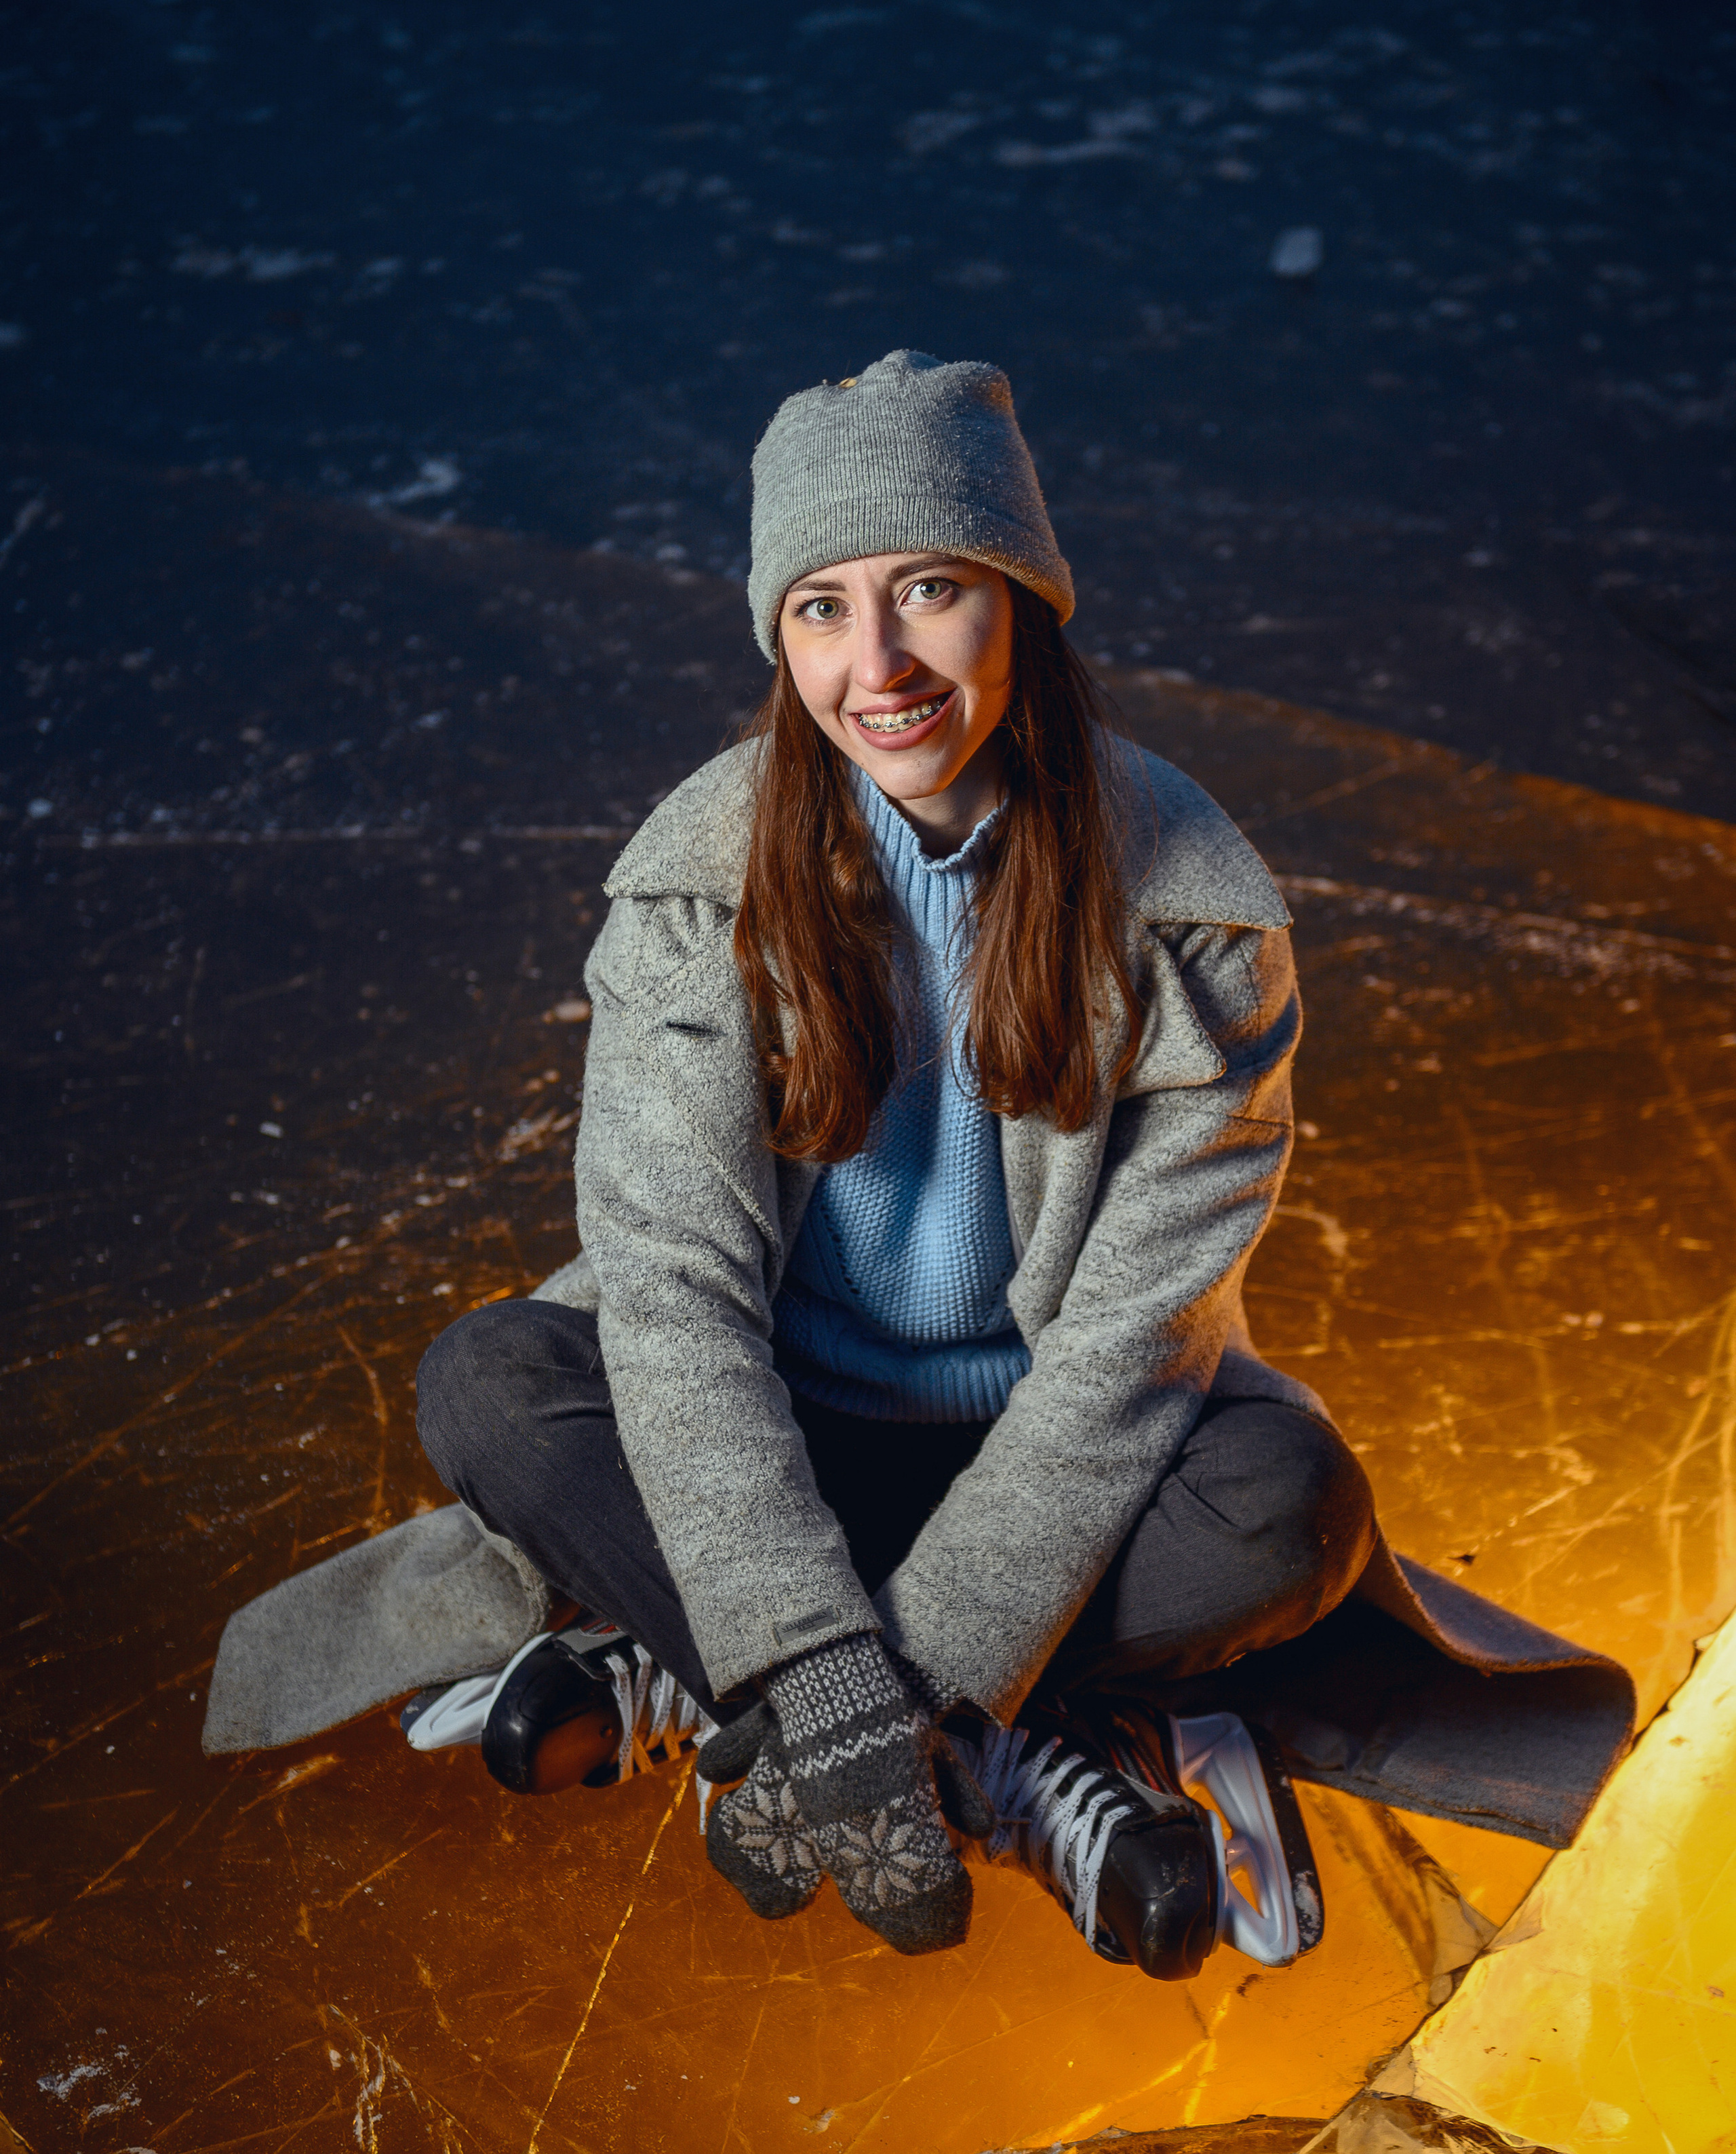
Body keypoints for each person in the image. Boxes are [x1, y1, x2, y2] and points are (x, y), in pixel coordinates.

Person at [203, 351, 1634, 1976]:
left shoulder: (1196, 922)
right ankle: (1002, 1740)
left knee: (1287, 1510)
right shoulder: (692, 893)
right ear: (776, 634)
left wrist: (901, 1660)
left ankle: (761, 1680)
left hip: (1057, 1468)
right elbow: (672, 1303)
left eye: (928, 590)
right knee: (493, 1380)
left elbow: (1123, 1357)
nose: (872, 663)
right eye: (818, 607)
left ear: (1019, 601)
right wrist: (828, 1665)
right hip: (772, 1431)